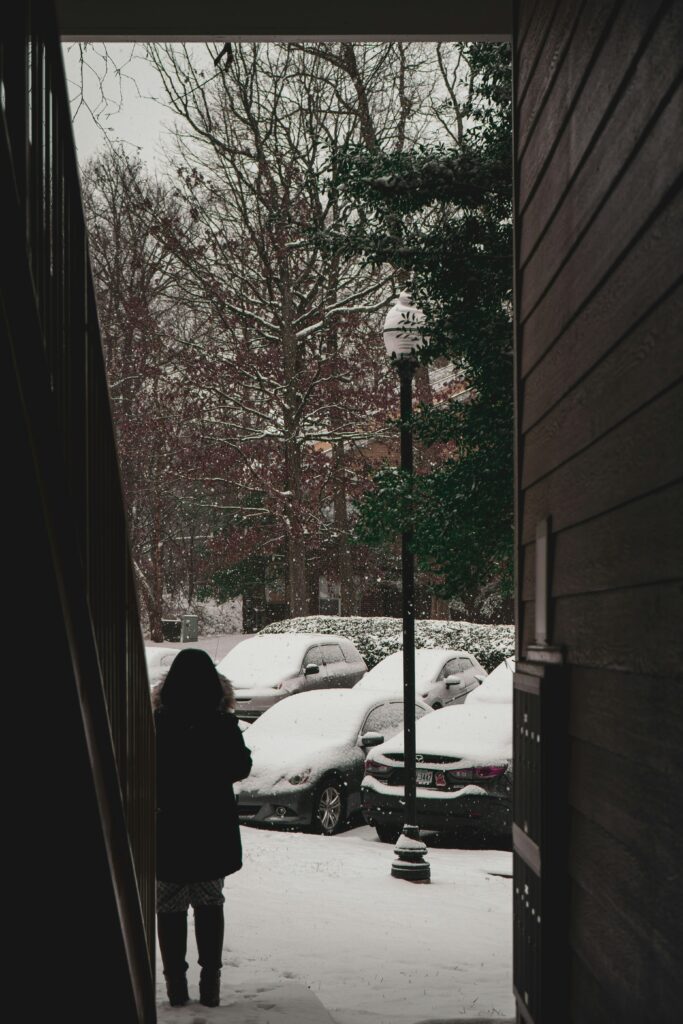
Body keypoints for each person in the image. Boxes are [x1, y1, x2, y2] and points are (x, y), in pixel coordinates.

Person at [152, 647, 252, 1007]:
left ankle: (175, 985)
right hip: (211, 828)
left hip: (170, 827)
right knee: (209, 903)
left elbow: (149, 770)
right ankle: (210, 982)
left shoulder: (158, 723)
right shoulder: (221, 723)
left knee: (170, 907)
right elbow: (240, 767)